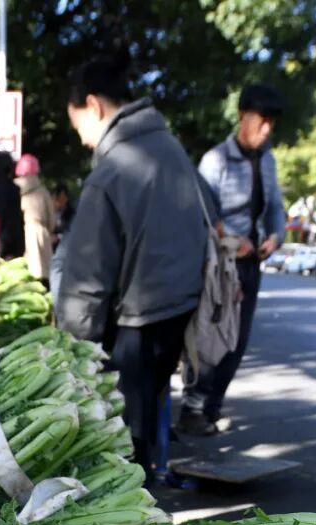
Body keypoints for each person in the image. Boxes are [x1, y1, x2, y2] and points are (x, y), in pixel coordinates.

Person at [55, 49, 207, 478]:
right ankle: (144, 501)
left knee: (120, 445)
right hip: (177, 314)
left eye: (79, 126)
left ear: (93, 105)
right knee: (144, 423)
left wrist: (70, 355)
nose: (83, 140)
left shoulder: (113, 171)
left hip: (136, 328)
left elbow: (86, 280)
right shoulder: (170, 148)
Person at [177, 83, 286, 437]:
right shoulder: (216, 160)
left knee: (238, 341)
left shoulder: (268, 159)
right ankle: (192, 408)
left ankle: (212, 408)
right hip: (221, 265)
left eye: (272, 123)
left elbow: (276, 208)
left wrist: (276, 236)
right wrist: (228, 240)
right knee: (211, 337)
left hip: (253, 263)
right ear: (243, 117)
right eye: (262, 121)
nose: (267, 129)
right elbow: (202, 213)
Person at [15, 154, 57, 283]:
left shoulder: (14, 189)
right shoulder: (42, 191)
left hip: (21, 233)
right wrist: (49, 230)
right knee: (42, 276)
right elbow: (52, 218)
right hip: (40, 233)